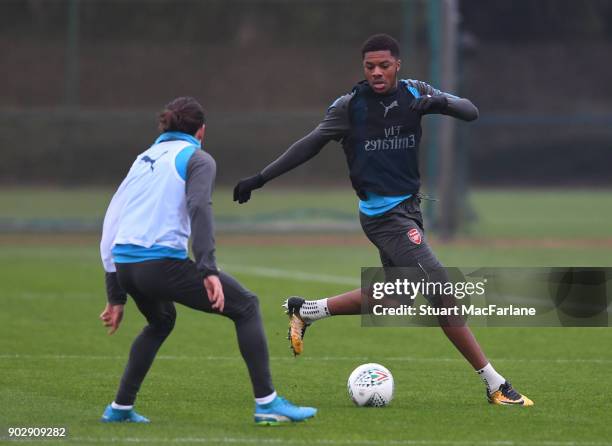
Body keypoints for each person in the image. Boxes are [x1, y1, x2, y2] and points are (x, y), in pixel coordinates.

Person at [233, 34, 533, 407]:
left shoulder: (414, 92)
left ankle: (307, 311)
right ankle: (495, 385)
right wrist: (259, 179)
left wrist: (439, 101)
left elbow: (469, 111)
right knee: (444, 294)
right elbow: (308, 146)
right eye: (370, 66)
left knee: (396, 297)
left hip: (409, 210)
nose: (377, 72)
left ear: (397, 66)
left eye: (384, 66)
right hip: (385, 218)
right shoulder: (349, 107)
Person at [99, 96, 317, 424]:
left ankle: (120, 409)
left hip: (127, 266)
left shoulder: (144, 158)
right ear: (202, 130)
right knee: (246, 306)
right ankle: (267, 404)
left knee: (160, 322)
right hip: (160, 266)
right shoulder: (198, 158)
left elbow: (111, 219)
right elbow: (199, 207)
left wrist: (116, 292)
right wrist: (207, 268)